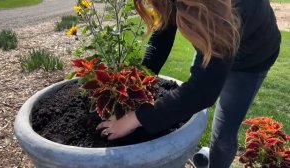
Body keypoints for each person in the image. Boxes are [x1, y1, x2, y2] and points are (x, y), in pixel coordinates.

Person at [97, 0, 281, 167]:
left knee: (224, 134)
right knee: (200, 83)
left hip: (251, 58)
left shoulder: (224, 9)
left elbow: (203, 90)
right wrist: (136, 84)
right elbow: (162, 37)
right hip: (213, 35)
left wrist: (136, 118)